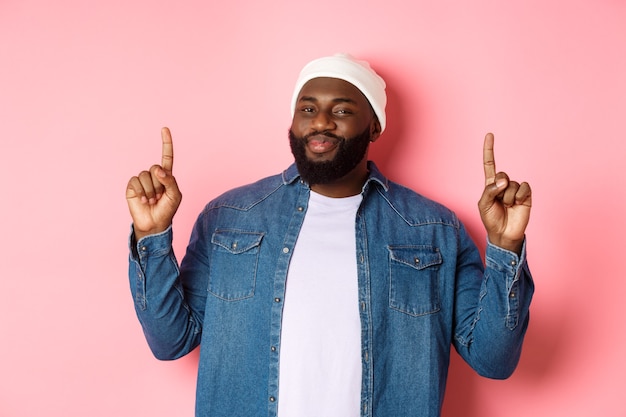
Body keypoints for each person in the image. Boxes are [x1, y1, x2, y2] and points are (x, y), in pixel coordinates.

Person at [126, 53, 534, 417]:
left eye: (341, 110)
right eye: (308, 108)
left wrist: (506, 246)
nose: (320, 121)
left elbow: (493, 360)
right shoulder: (229, 217)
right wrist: (152, 234)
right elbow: (170, 341)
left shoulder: (434, 230)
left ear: (373, 126)